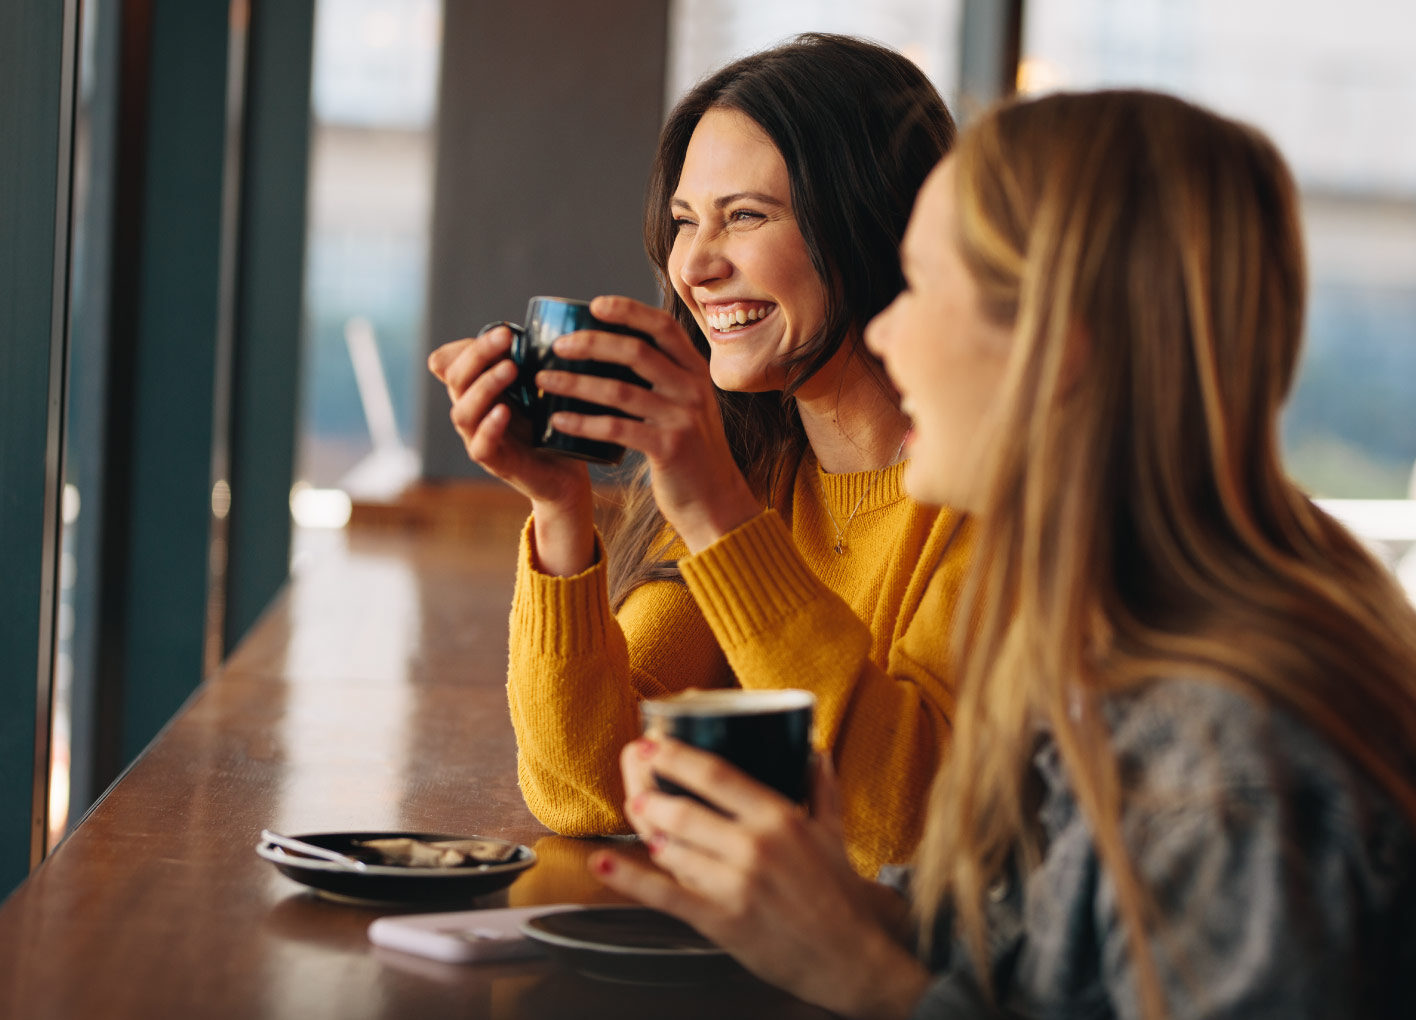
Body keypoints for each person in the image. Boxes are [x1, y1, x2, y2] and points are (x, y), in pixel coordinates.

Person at [593, 89, 1416, 1019]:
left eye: (923, 289)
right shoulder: (1118, 651)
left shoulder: (1226, 762)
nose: (885, 331)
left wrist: (858, 974)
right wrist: (841, 904)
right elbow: (1040, 954)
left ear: (1054, 347)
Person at [427, 34, 969, 876]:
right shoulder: (756, 474)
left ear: (872, 225)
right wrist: (559, 507)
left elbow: (896, 829)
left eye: (745, 216)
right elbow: (590, 790)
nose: (695, 266)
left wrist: (716, 508)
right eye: (684, 222)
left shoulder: (983, 499)